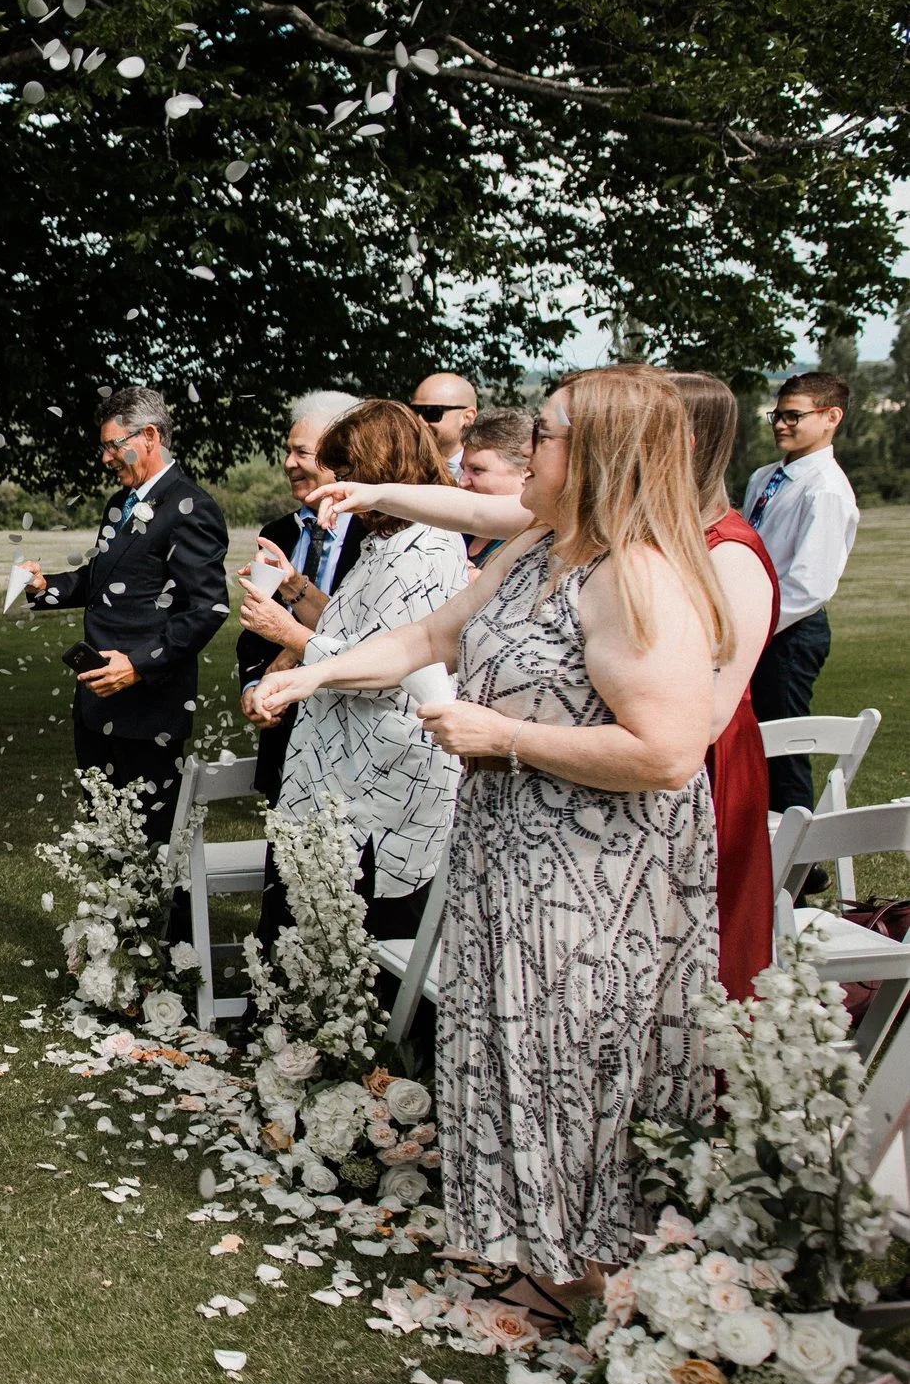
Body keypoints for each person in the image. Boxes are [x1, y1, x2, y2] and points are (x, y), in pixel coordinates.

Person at [255, 364, 725, 1315]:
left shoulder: (634, 572)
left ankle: (579, 1272)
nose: (508, 454)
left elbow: (670, 751)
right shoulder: (541, 544)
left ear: (592, 454)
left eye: (543, 434)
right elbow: (430, 637)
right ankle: (534, 1251)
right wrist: (310, 677)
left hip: (594, 874)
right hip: (512, 851)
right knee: (511, 1049)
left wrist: (503, 736)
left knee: (571, 1059)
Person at [316, 380, 785, 995]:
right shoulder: (563, 533)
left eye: (546, 434)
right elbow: (479, 515)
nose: (532, 448)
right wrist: (375, 492)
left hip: (677, 779)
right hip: (540, 802)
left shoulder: (708, 559)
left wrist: (509, 734)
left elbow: (691, 734)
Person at [242, 402, 469, 944]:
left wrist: (287, 633)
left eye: (345, 473)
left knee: (372, 934)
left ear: (380, 470)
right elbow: (361, 632)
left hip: (383, 778)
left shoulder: (427, 547)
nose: (337, 487)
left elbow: (388, 668)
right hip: (337, 767)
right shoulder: (385, 540)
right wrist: (296, 589)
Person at [19, 386, 230, 849]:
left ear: (150, 436)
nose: (106, 458)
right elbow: (102, 577)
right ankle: (113, 921)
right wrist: (44, 587)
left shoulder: (191, 508)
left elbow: (208, 609)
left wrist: (138, 665)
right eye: (104, 447)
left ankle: (161, 924)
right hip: (97, 699)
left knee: (151, 840)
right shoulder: (120, 504)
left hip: (149, 704)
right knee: (107, 835)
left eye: (115, 446)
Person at [674, 371, 780, 994]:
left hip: (710, 767)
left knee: (705, 949)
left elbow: (712, 711)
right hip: (666, 759)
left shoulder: (731, 555)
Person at [234, 391, 363, 802]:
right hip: (286, 732)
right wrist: (254, 685)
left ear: (343, 457)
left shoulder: (375, 532)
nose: (289, 463)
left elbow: (362, 627)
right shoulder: (277, 534)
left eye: (302, 452)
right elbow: (255, 625)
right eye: (287, 451)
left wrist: (290, 653)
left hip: (352, 726)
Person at [745, 370, 860, 818]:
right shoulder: (765, 477)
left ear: (831, 417)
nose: (780, 424)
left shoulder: (826, 490)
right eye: (777, 415)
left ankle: (799, 869)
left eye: (793, 416)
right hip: (756, 619)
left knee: (783, 746)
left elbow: (809, 584)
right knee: (753, 742)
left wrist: (754, 627)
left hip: (788, 630)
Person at [455, 407, 535, 569]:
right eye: (463, 469)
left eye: (477, 470)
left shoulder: (533, 543)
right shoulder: (457, 530)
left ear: (525, 471)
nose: (462, 482)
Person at [410, 373, 479, 478]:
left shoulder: (486, 471)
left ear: (467, 417)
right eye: (414, 411)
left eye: (431, 412)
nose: (419, 420)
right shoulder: (402, 466)